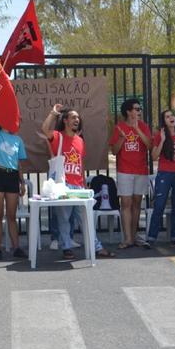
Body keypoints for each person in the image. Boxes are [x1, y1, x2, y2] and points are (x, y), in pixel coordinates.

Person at [42, 104, 116, 259]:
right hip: (63, 186)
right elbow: (45, 130)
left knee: (85, 218)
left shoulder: (80, 141)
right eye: (73, 117)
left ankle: (97, 247)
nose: (77, 119)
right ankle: (66, 248)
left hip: (77, 186)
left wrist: (83, 183)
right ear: (66, 121)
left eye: (78, 117)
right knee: (64, 219)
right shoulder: (58, 136)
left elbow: (80, 164)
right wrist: (53, 113)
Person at [109, 98, 152, 250]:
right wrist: (122, 138)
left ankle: (133, 237)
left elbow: (149, 146)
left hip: (141, 170)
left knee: (137, 203)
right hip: (124, 170)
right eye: (136, 108)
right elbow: (114, 151)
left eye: (139, 109)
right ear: (128, 111)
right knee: (126, 204)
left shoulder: (144, 126)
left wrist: (137, 129)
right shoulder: (119, 127)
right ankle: (127, 238)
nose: (139, 111)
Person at [0, 120, 28, 260]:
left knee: (11, 215)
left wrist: (22, 182)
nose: (15, 123)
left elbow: (19, 163)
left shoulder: (18, 140)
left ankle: (16, 247)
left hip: (12, 176)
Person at [148, 109, 175, 247]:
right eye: (167, 116)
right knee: (159, 205)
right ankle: (151, 237)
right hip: (165, 173)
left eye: (172, 115)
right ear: (164, 121)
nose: (171, 118)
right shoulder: (160, 135)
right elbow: (154, 156)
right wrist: (163, 140)